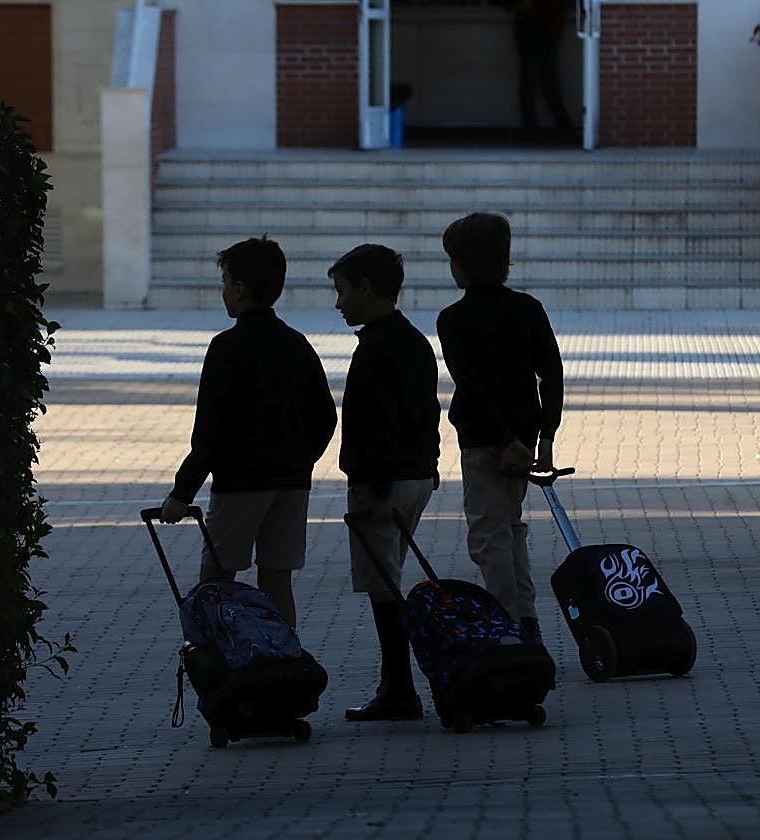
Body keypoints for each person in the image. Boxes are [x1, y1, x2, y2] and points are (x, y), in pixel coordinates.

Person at [159, 236, 336, 628]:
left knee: (217, 581)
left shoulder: (227, 347)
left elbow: (211, 431)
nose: (224, 290)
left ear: (239, 288)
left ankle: (224, 669)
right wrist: (300, 459)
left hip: (240, 483)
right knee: (277, 581)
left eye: (225, 281)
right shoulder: (296, 344)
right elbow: (325, 416)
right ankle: (285, 661)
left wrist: (181, 491)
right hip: (291, 483)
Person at [436, 212, 564, 645]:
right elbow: (552, 373)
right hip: (525, 438)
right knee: (511, 527)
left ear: (465, 263)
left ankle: (509, 626)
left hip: (483, 438)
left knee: (488, 534)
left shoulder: (453, 319)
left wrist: (506, 438)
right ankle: (526, 620)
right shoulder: (528, 309)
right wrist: (542, 437)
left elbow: (470, 383)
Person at [331, 244, 441, 722]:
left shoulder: (375, 349)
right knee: (388, 581)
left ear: (366, 289)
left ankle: (399, 689)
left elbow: (377, 427)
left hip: (385, 484)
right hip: (416, 474)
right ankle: (396, 686)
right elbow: (427, 413)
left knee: (384, 588)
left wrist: (374, 492)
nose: (339, 304)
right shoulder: (414, 340)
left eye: (342, 291)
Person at [513, 0, 579, 144]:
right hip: (536, 34)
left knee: (541, 86)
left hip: (539, 34)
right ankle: (559, 129)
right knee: (538, 87)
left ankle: (559, 129)